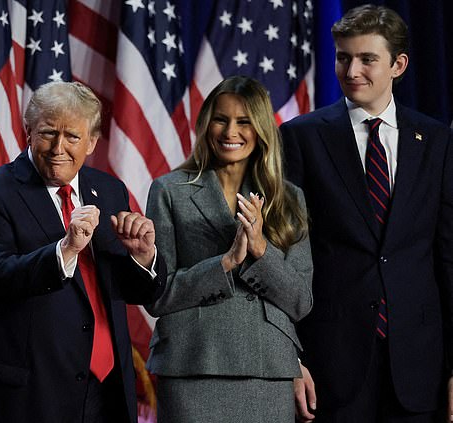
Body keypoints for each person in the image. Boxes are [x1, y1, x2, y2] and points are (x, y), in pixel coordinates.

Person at [0, 81, 167, 423]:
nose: (58, 147)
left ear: (91, 142)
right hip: (26, 394)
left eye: (72, 137)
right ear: (28, 131)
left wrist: (143, 256)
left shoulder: (108, 190)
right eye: (48, 133)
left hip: (105, 391)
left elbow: (132, 290)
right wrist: (65, 250)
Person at [280, 5, 453, 422]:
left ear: (398, 65)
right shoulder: (301, 137)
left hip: (419, 367)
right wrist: (290, 359)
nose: (352, 70)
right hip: (331, 366)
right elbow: (285, 258)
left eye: (367, 59)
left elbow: (447, 257)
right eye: (343, 57)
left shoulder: (435, 140)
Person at [145, 75, 313, 422]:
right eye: (221, 119)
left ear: (261, 128)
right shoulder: (169, 190)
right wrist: (224, 264)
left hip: (267, 370)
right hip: (193, 364)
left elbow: (300, 301)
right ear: (207, 123)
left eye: (244, 121)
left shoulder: (288, 198)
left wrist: (261, 249)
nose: (229, 131)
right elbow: (158, 295)